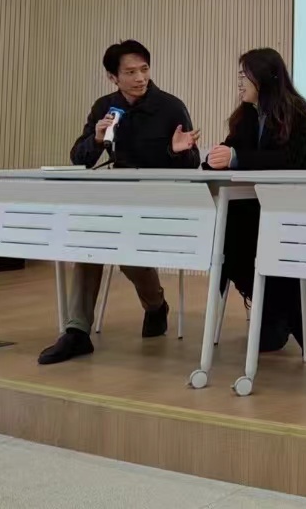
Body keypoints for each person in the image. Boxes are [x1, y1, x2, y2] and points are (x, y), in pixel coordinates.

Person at [39, 40, 201, 365]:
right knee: (90, 240)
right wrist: (97, 139)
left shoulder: (170, 107)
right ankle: (77, 331)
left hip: (158, 202)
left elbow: (193, 164)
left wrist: (178, 151)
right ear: (113, 77)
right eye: (130, 72)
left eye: (144, 69)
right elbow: (79, 159)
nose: (140, 78)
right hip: (117, 198)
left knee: (123, 248)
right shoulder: (105, 107)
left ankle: (155, 305)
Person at [204, 48, 306, 353]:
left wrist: (236, 158)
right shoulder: (245, 115)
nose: (240, 83)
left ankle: (280, 313)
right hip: (257, 209)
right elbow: (229, 153)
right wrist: (208, 159)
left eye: (245, 76)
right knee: (223, 231)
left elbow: (291, 160)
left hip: (295, 209)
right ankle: (275, 311)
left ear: (266, 78)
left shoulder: (297, 111)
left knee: (238, 231)